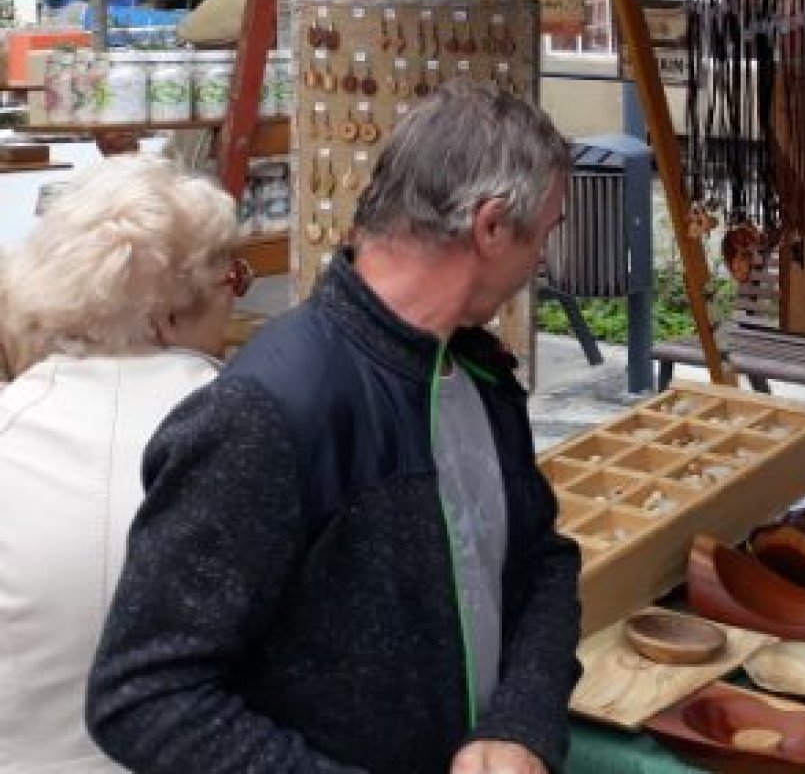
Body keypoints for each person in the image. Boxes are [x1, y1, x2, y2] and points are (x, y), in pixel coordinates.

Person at [88, 84, 581, 774]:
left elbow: (542, 563)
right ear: (492, 227)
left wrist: (520, 721)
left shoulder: (477, 372)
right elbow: (144, 696)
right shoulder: (265, 412)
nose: (541, 263)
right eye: (547, 233)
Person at [0, 155, 243, 773]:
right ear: (169, 313)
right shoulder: (251, 434)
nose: (234, 303)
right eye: (232, 281)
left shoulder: (12, 424)